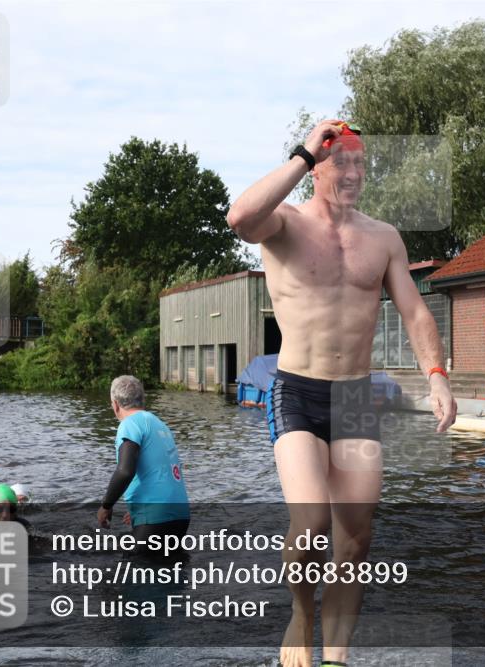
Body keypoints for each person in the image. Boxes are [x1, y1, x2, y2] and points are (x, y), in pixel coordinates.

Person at [227, 119, 457, 667]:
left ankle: (336, 658)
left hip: (354, 397)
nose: (354, 173)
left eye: (361, 163)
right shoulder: (284, 223)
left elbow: (416, 311)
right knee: (309, 527)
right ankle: (300, 616)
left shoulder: (382, 238)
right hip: (298, 391)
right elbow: (239, 217)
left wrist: (437, 375)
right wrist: (305, 151)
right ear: (315, 168)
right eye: (341, 162)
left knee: (355, 539)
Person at [97, 376, 190, 551]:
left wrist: (106, 506)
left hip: (157, 517)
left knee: (131, 572)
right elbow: (160, 471)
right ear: (142, 399)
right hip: (181, 516)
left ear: (115, 404)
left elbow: (125, 471)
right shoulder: (160, 424)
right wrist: (139, 507)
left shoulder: (129, 424)